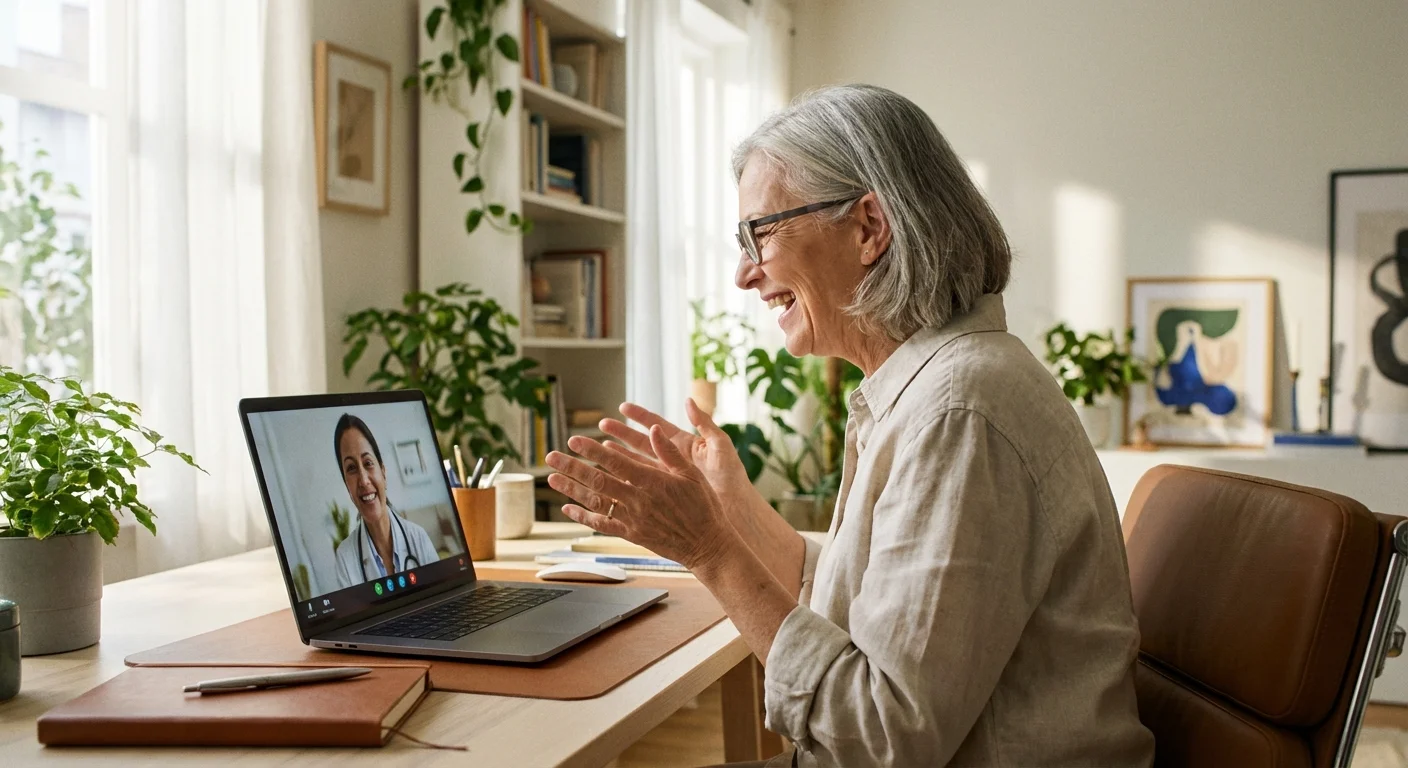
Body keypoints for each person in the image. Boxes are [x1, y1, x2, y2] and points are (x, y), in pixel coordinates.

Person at [545, 84, 1155, 767]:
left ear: (869, 228)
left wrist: (709, 550)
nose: (744, 274)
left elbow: (882, 736)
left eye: (759, 233)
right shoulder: (931, 387)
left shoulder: (960, 412)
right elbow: (860, 601)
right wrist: (733, 508)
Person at [332, 414, 439, 589]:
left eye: (368, 463)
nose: (364, 480)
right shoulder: (345, 558)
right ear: (347, 485)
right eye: (351, 468)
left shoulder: (418, 538)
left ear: (383, 472)